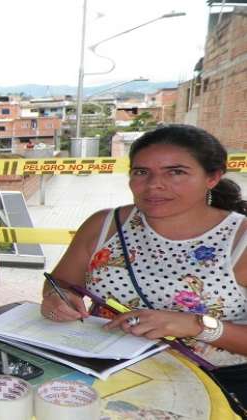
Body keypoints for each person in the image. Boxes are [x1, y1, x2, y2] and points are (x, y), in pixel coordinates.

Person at [40, 124, 247, 404]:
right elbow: (60, 284)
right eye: (141, 172)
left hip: (212, 383)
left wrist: (197, 325)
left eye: (176, 172)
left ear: (212, 177)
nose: (154, 185)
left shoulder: (240, 241)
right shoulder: (105, 225)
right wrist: (58, 298)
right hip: (106, 370)